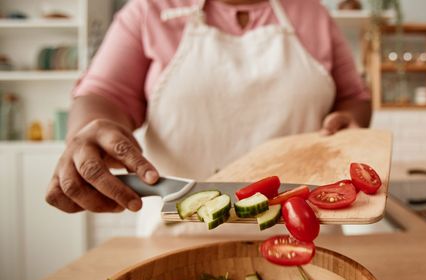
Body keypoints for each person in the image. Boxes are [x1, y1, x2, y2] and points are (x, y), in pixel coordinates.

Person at [45, 0, 371, 233]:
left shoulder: (312, 12)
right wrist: (90, 131)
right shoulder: (148, 10)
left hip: (306, 235)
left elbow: (354, 98)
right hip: (177, 236)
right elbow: (104, 95)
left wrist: (349, 119)